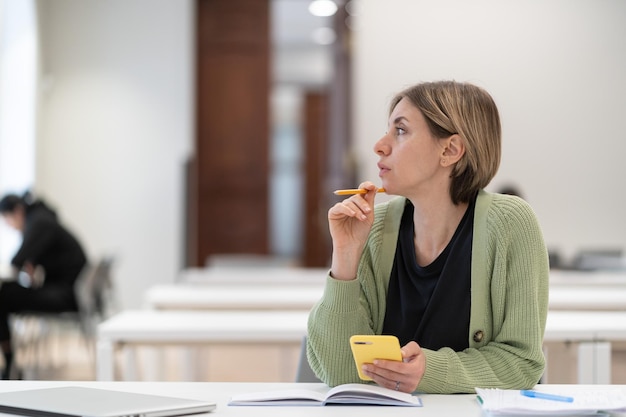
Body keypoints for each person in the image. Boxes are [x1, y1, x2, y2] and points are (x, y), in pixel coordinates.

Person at [306, 81, 549, 394]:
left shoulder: (512, 224)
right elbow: (338, 372)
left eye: (401, 131)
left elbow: (521, 364)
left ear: (449, 150)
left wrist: (431, 371)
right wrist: (345, 255)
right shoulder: (375, 227)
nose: (379, 145)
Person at [0, 192, 88, 379]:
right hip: (68, 290)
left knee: (4, 295)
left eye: (7, 220)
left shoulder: (38, 223)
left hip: (66, 294)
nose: (10, 227)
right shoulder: (42, 218)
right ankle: (10, 363)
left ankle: (9, 365)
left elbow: (18, 260)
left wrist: (29, 262)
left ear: (16, 212)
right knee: (6, 293)